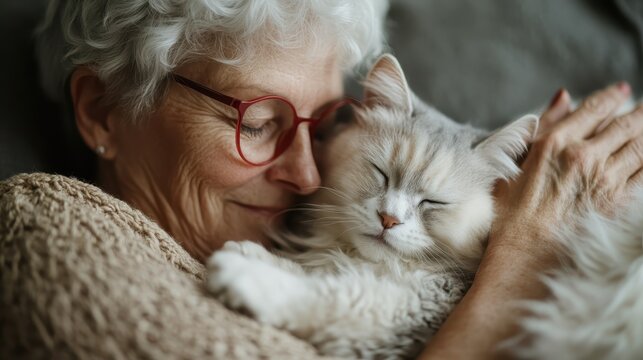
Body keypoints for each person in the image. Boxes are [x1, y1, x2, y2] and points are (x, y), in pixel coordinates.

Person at [24, 0, 643, 357]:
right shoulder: (53, 236)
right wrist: (519, 271)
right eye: (261, 122)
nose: (309, 173)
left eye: (321, 123)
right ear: (102, 111)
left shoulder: (318, 236)